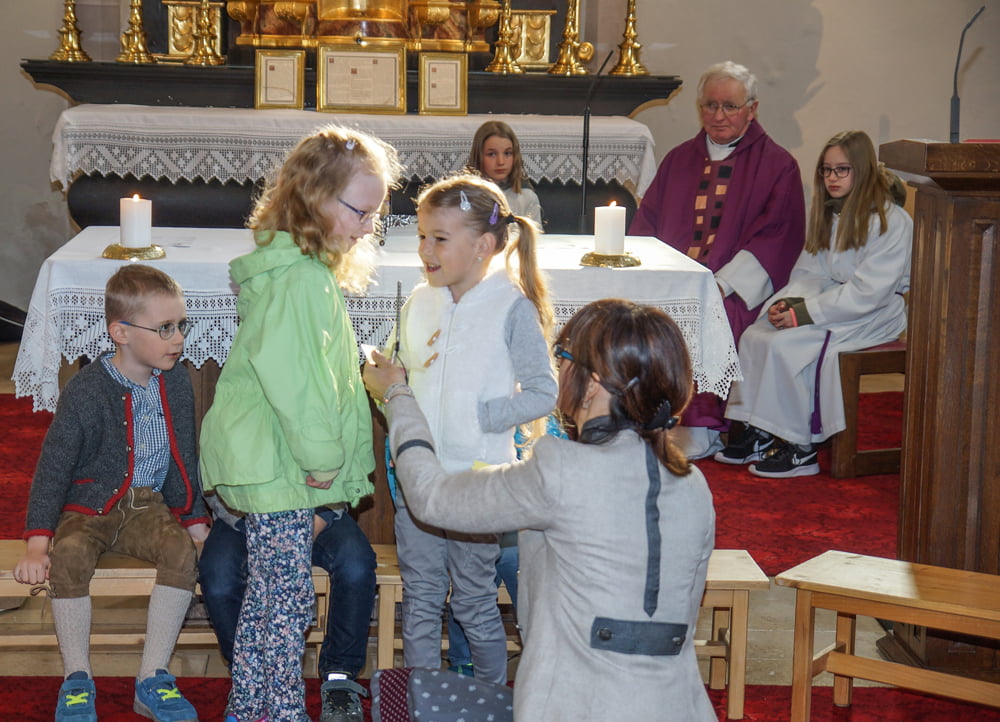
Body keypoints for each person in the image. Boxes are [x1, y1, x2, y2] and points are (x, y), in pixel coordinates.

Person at [363, 298, 717, 721]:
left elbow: (430, 498)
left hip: (576, 708)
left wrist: (398, 395)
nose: (557, 368)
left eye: (562, 357)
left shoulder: (561, 470)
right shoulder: (694, 485)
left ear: (592, 384)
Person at [198, 125, 402, 722]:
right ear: (315, 198)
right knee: (284, 606)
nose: (368, 227)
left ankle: (253, 709)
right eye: (360, 212)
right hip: (283, 463)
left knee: (270, 603)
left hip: (270, 459)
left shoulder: (294, 268)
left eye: (376, 214)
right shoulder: (302, 279)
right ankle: (277, 711)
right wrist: (322, 458)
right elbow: (295, 380)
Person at [13, 264, 210, 722]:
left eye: (181, 325)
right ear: (120, 333)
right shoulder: (86, 389)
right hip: (89, 507)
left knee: (181, 553)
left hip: (148, 507)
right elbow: (53, 467)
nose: (178, 339)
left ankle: (152, 676)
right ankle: (77, 677)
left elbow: (183, 453)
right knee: (70, 555)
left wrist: (194, 519)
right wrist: (38, 543)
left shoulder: (175, 380)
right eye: (165, 328)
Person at [385, 172, 557, 685]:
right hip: (419, 481)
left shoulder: (512, 307)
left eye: (439, 238)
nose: (425, 250)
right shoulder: (420, 301)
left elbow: (544, 393)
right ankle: (420, 701)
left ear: (483, 245)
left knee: (474, 602)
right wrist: (387, 381)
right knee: (420, 598)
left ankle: (488, 700)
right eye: (422, 236)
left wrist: (479, 418)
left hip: (479, 483)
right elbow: (398, 369)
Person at [630, 60, 806, 459]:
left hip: (734, 288)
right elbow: (647, 223)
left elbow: (777, 236)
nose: (719, 115)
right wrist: (654, 277)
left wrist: (721, 284)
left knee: (713, 313)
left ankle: (700, 427)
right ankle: (644, 417)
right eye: (710, 105)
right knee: (638, 314)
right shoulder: (678, 160)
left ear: (752, 109)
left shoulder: (778, 166)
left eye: (730, 106)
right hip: (672, 281)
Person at [717, 129, 911, 478]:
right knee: (754, 336)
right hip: (832, 301)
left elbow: (869, 291)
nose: (832, 178)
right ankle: (760, 430)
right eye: (826, 170)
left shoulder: (891, 221)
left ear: (863, 170)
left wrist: (806, 313)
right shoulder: (831, 213)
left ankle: (800, 447)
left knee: (789, 345)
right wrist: (788, 304)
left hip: (874, 311)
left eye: (842, 170)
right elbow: (810, 271)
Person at [198, 493, 376, 722]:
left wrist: (309, 526)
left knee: (356, 566)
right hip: (242, 514)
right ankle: (248, 682)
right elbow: (212, 478)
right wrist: (261, 529)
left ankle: (339, 678)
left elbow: (344, 476)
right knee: (218, 577)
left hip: (320, 512)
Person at [468, 120, 542, 225]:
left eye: (507, 153)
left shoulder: (526, 197)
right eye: (492, 154)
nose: (501, 162)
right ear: (479, 156)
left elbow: (533, 234)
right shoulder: (466, 196)